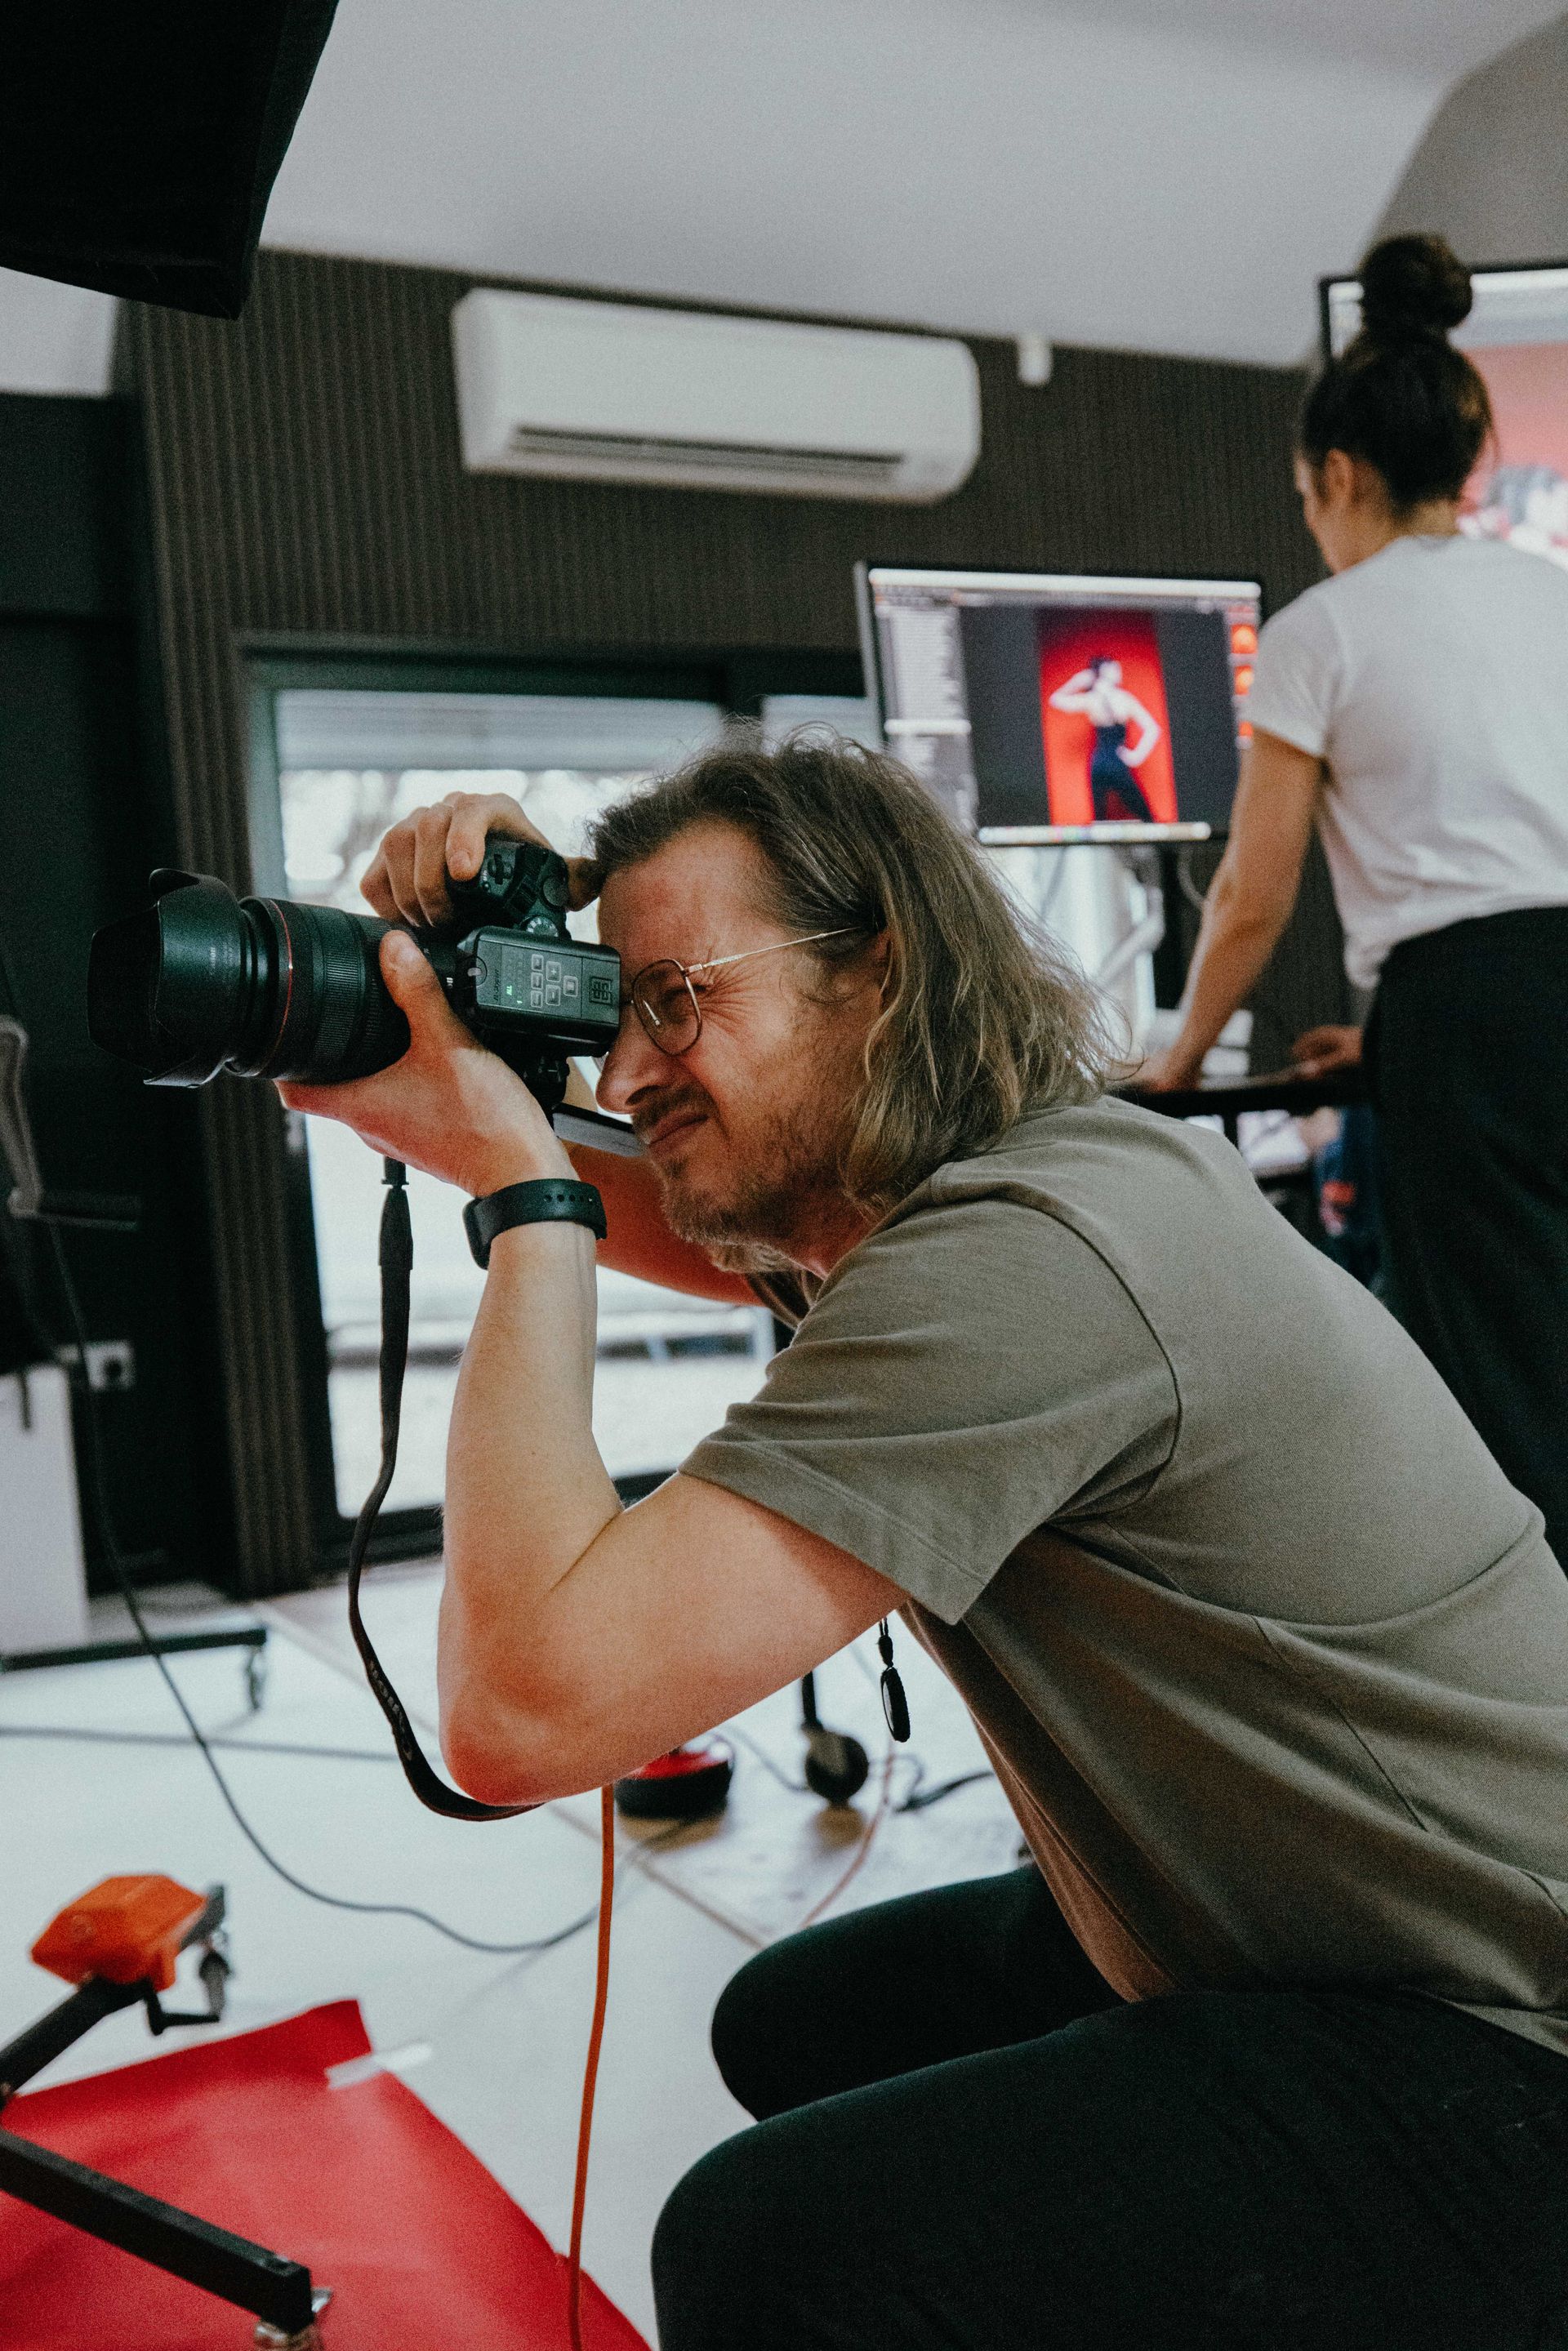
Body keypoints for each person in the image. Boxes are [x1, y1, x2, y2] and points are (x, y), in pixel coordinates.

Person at [280, 737, 1568, 2351]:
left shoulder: (1031, 1263)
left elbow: (522, 1713)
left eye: (678, 997)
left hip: (1503, 2027)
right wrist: (452, 1073)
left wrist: (522, 1201)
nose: (627, 1071)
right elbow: (691, 1210)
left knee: (772, 2247)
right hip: (1315, 1924)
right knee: (803, 2019)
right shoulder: (991, 1187)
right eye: (618, 1016)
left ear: (871, 968)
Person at [1142, 232, 1568, 1568]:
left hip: (1470, 1014)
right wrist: (1385, 1046)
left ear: (1336, 476)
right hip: (1503, 1006)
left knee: (1511, 1387)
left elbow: (1256, 898)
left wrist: (1184, 1058)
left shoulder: (1325, 625)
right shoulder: (1551, 591)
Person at [1048, 653, 1161, 822]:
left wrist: (1077, 682)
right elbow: (1153, 728)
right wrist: (1136, 756)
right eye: (1116, 668)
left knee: (1100, 819)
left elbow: (1056, 699)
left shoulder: (1092, 699)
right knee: (1146, 818)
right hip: (1116, 761)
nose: (1119, 671)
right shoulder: (1122, 699)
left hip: (1099, 763)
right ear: (1105, 671)